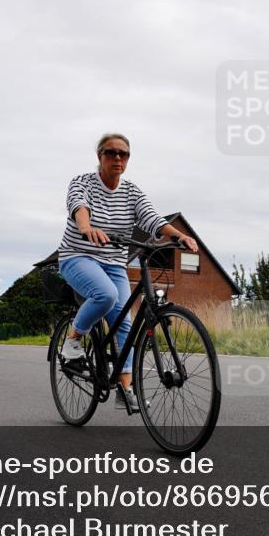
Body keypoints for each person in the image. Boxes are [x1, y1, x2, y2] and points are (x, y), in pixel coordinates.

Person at [56, 133, 199, 413]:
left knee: (125, 324)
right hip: (78, 256)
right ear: (100, 157)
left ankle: (125, 387)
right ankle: (72, 342)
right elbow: (78, 206)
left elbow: (151, 219)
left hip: (114, 262)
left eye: (124, 154)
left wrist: (179, 235)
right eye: (111, 153)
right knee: (105, 295)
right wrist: (86, 228)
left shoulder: (132, 192)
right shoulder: (82, 182)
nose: (118, 158)